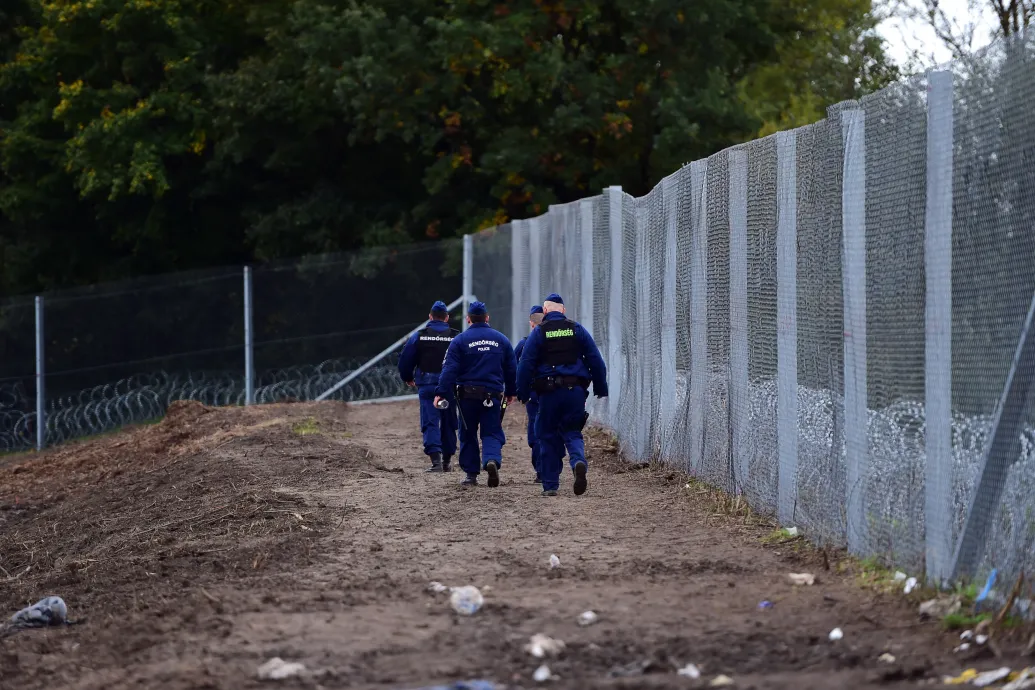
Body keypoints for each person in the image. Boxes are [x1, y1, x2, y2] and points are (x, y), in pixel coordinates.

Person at [516, 293, 608, 497]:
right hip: (575, 391)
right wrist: (601, 388)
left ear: (545, 311)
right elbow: (595, 360)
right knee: (572, 431)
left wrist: (522, 392)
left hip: (549, 393)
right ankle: (578, 461)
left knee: (548, 435)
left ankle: (550, 485)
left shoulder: (539, 332)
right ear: (563, 310)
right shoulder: (577, 329)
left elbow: (525, 364)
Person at [434, 301, 517, 487]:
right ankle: (491, 460)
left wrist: (441, 392)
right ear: (487, 318)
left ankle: (471, 475)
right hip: (493, 395)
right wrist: (511, 391)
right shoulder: (501, 340)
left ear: (468, 319)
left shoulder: (459, 341)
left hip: (467, 397)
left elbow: (449, 370)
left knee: (468, 433)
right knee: (492, 431)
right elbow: (512, 369)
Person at [398, 300, 459, 472]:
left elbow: (405, 359)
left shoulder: (419, 336)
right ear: (446, 318)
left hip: (427, 385)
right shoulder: (456, 337)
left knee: (430, 421)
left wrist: (407, 377)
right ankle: (447, 460)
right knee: (448, 421)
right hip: (448, 387)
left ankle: (436, 461)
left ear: (430, 317)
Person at [514, 305, 545, 483]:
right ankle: (552, 467)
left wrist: (518, 391)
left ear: (531, 323)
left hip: (533, 394)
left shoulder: (524, 344)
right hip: (554, 391)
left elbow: (514, 367)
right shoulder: (554, 342)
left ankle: (541, 470)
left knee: (536, 428)